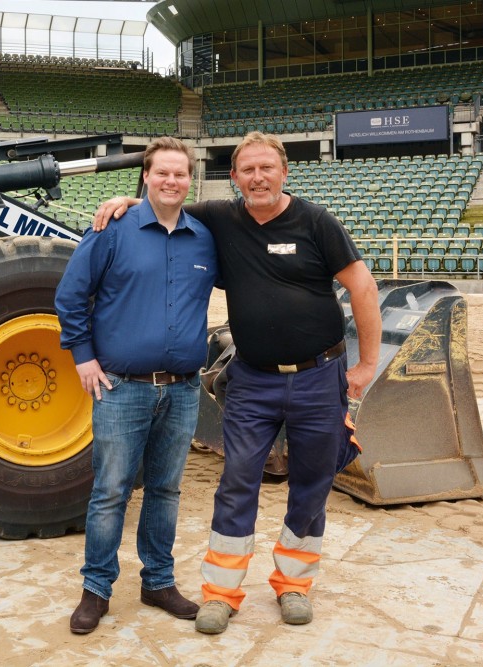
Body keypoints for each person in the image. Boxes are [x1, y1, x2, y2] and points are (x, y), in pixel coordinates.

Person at [92, 132, 381, 634]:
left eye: (267, 168)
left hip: (319, 378)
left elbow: (362, 287)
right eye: (247, 170)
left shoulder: (317, 222)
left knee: (312, 486)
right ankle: (221, 593)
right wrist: (128, 201)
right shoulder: (221, 219)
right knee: (237, 482)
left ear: (284, 172)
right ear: (234, 178)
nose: (258, 177)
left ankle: (294, 584)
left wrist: (366, 364)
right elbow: (165, 203)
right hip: (251, 381)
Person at [55, 137, 220, 635]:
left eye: (180, 174)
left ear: (190, 179)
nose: (171, 181)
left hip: (184, 389)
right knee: (110, 492)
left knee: (166, 491)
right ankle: (97, 590)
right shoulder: (113, 229)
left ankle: (158, 582)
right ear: (145, 176)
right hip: (121, 388)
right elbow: (70, 297)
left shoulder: (205, 239)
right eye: (162, 173)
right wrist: (83, 357)